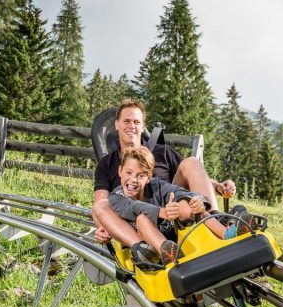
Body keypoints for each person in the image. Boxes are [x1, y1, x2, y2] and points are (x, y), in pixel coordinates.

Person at [92, 98, 237, 245]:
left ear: (143, 127)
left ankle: (216, 222)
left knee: (191, 162)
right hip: (137, 221)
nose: (131, 126)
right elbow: (101, 202)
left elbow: (193, 175)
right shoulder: (107, 164)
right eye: (126, 121)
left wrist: (218, 186)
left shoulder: (162, 152)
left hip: (175, 212)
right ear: (117, 124)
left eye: (136, 122)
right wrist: (101, 227)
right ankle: (142, 248)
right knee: (103, 206)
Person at [109, 146, 249, 270]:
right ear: (120, 171)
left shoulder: (156, 185)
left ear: (149, 178)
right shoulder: (116, 197)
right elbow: (134, 207)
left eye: (141, 176)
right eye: (129, 173)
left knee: (186, 203)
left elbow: (177, 191)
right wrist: (161, 212)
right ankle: (169, 253)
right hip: (150, 243)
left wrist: (197, 200)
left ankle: (227, 234)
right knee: (141, 219)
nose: (133, 179)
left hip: (173, 232)